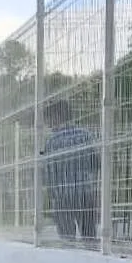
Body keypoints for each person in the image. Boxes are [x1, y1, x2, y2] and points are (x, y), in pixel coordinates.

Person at [42, 99, 100, 242]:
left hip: (62, 197)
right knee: (89, 238)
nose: (47, 124)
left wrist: (51, 195)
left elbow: (49, 174)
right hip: (85, 194)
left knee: (67, 241)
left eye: (48, 119)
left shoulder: (51, 142)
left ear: (57, 117)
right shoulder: (86, 135)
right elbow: (95, 163)